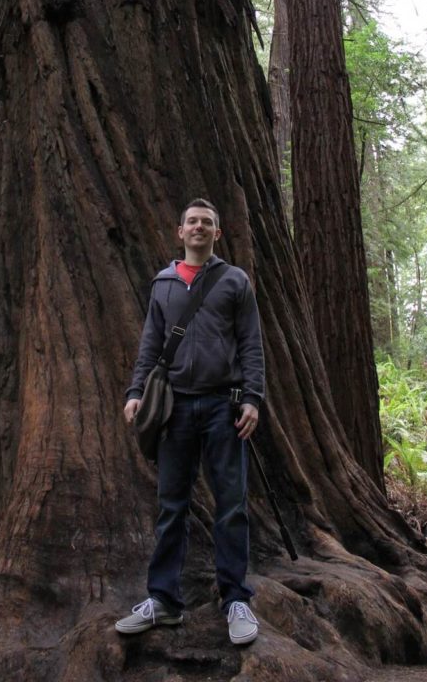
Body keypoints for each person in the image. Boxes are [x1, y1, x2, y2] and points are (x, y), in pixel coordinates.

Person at [115, 199, 265, 646]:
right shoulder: (163, 284)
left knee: (232, 505)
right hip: (175, 409)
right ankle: (163, 600)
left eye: (208, 223)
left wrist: (252, 399)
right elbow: (150, 344)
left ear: (217, 234)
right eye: (193, 222)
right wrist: (136, 391)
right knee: (171, 506)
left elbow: (251, 344)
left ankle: (236, 599)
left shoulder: (235, 281)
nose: (199, 227)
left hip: (224, 406)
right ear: (180, 231)